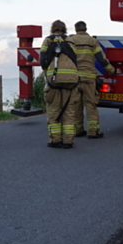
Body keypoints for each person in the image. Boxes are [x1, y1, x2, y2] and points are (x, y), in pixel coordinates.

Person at [68, 21, 116, 139]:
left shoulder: (70, 41)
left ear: (75, 29)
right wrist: (111, 70)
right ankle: (93, 131)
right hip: (88, 78)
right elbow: (101, 59)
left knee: (76, 104)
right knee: (91, 104)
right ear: (86, 29)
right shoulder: (92, 41)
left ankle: (78, 130)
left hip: (74, 78)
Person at [40, 20, 81, 148]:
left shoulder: (48, 40)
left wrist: (47, 73)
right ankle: (68, 141)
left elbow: (42, 59)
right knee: (68, 110)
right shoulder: (71, 41)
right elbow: (76, 59)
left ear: (52, 29)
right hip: (71, 80)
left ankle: (55, 140)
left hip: (54, 81)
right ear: (64, 29)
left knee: (54, 110)